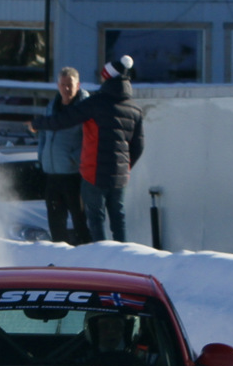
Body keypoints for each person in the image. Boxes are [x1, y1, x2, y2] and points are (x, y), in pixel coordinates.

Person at [27, 55, 145, 242]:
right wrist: (125, 166)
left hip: (94, 171)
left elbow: (65, 120)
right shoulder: (134, 108)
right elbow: (138, 146)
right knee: (118, 218)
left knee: (95, 220)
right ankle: (123, 256)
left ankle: (98, 260)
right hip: (120, 175)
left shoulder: (95, 103)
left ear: (108, 78)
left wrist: (38, 123)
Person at [35, 66, 90, 244]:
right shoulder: (52, 106)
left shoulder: (85, 108)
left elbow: (89, 138)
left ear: (78, 85)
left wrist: (74, 157)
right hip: (52, 173)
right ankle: (59, 260)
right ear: (58, 85)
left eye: (70, 85)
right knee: (56, 223)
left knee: (80, 221)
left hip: (73, 174)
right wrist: (41, 154)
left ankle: (85, 257)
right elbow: (44, 132)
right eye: (63, 85)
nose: (66, 89)